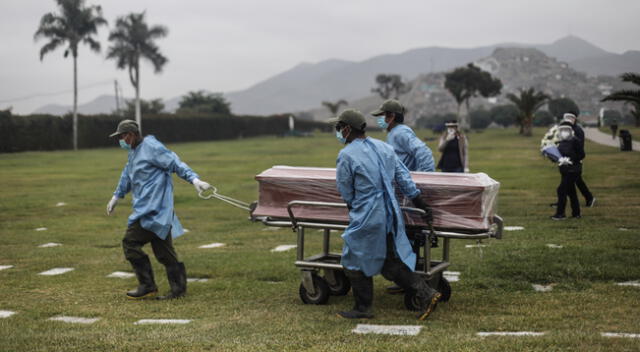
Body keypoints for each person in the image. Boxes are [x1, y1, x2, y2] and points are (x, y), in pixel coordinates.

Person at [329, 109, 441, 320]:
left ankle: (363, 308)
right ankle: (426, 293)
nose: (337, 132)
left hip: (367, 214)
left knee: (353, 259)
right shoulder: (384, 147)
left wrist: (355, 210)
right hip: (390, 213)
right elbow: (404, 179)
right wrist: (421, 203)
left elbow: (345, 190)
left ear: (347, 128)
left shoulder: (346, 154)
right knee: (390, 262)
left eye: (338, 128)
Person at [106, 120, 211, 300]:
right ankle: (178, 290)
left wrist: (195, 180)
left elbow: (174, 162)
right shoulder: (134, 152)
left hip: (153, 210)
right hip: (151, 210)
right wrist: (117, 196)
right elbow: (127, 175)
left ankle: (147, 285)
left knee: (130, 243)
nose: (121, 140)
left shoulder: (151, 147)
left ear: (131, 134)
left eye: (122, 136)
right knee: (164, 253)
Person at [371, 99, 435, 172]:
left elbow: (424, 152)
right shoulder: (392, 133)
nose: (379, 119)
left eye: (382, 115)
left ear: (391, 117)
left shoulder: (401, 132)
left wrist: (425, 176)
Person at [560, 113, 596, 207]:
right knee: (567, 182)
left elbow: (579, 149)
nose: (569, 119)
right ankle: (561, 201)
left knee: (576, 182)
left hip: (575, 161)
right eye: (567, 118)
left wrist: (573, 158)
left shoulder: (578, 130)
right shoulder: (564, 129)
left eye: (571, 118)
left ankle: (589, 198)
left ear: (575, 119)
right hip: (565, 161)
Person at [551, 124, 584, 220]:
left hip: (573, 170)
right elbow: (558, 155)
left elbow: (581, 155)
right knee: (571, 191)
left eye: (566, 130)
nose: (564, 132)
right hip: (565, 170)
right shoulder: (561, 142)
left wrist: (570, 160)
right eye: (562, 130)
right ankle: (576, 213)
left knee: (561, 190)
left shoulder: (575, 141)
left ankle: (560, 214)